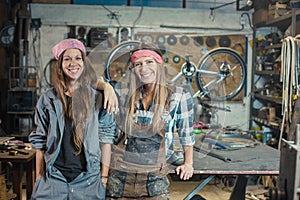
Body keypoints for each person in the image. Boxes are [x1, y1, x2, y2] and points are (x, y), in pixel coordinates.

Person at [29, 38, 116, 200]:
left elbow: (106, 140)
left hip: (88, 180)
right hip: (55, 178)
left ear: (84, 63)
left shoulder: (98, 98)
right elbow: (39, 142)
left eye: (78, 58)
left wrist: (103, 179)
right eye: (67, 59)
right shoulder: (47, 99)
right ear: (60, 65)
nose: (73, 63)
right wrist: (39, 178)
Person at [106, 42, 195, 199]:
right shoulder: (122, 92)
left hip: (154, 179)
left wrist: (188, 163)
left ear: (159, 65)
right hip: (121, 175)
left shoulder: (178, 96)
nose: (144, 68)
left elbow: (186, 134)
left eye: (149, 62)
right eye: (138, 64)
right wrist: (106, 87)